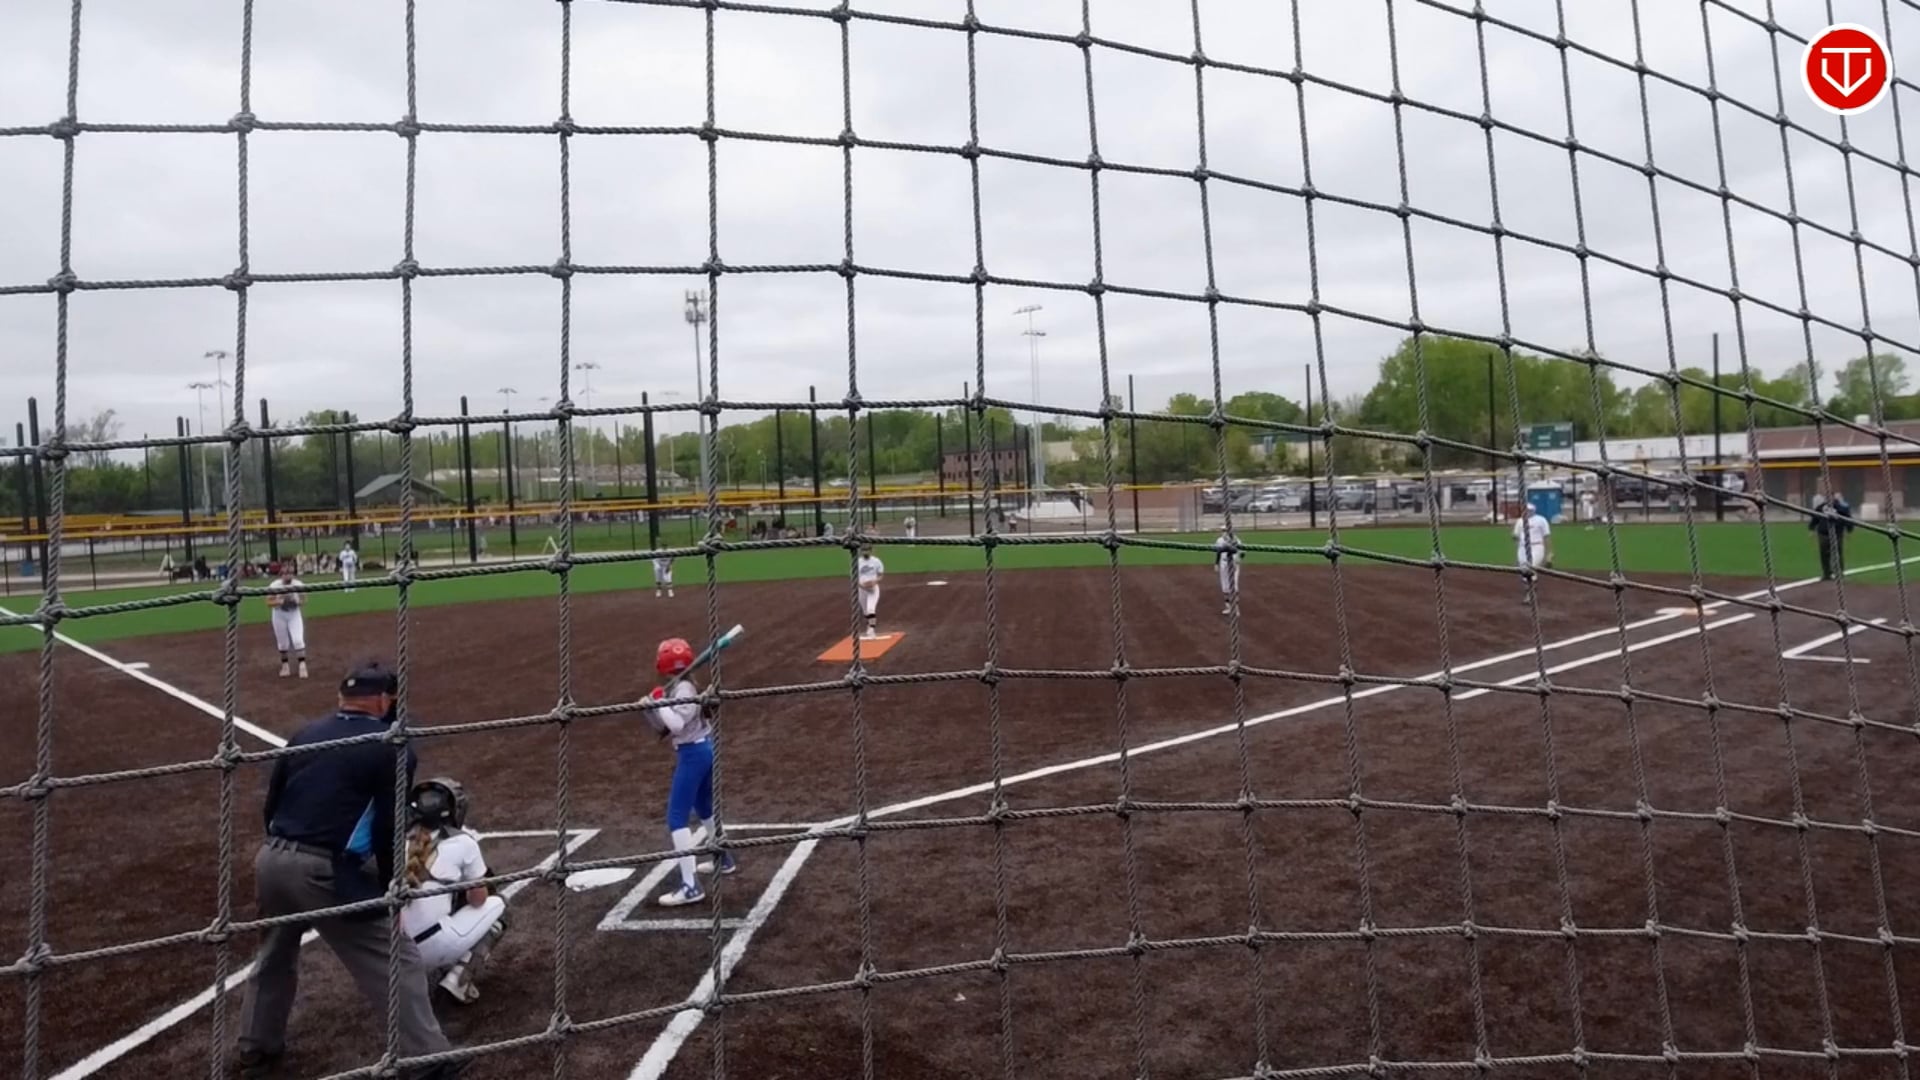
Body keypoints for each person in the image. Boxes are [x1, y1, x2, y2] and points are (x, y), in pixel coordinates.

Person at [234, 660, 464, 1079]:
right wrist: (393, 889)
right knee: (396, 958)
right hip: (322, 871)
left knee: (274, 957)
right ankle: (426, 1061)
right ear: (384, 700)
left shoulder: (305, 734)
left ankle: (256, 1048)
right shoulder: (391, 745)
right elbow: (389, 825)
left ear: (343, 698)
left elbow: (272, 803)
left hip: (270, 860)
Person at [399, 777, 508, 1005]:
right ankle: (458, 979)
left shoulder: (393, 843)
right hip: (434, 948)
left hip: (395, 954)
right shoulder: (463, 843)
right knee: (500, 905)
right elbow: (478, 900)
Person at [647, 637, 737, 907]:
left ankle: (690, 886)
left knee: (676, 817)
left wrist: (659, 703)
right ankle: (724, 859)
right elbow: (665, 724)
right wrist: (656, 703)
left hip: (693, 755)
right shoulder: (683, 686)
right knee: (704, 806)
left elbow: (675, 725)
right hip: (701, 750)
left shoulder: (684, 688)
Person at [266, 567, 309, 679]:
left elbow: (304, 599)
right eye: (285, 574)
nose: (288, 576)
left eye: (290, 573)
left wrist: (297, 601)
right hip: (279, 614)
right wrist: (279, 601)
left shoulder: (298, 584)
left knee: (298, 640)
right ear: (281, 575)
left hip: (294, 614)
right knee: (283, 643)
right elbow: (268, 602)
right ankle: (285, 666)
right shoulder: (275, 585)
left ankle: (302, 666)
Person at [1512, 501, 1553, 604]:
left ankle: (1531, 595)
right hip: (1523, 548)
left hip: (1537, 546)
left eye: (1529, 510)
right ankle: (1529, 593)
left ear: (1533, 510)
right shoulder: (1520, 521)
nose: (1527, 512)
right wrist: (1517, 546)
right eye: (1526, 510)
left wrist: (1549, 553)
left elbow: (1546, 537)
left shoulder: (1541, 520)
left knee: (1531, 568)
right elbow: (1516, 536)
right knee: (1523, 571)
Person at [1810, 493, 1855, 581]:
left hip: (1836, 534)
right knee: (1824, 555)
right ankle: (1826, 573)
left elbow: (1848, 519)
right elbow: (1815, 518)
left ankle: (1839, 574)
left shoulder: (1840, 508)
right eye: (1826, 497)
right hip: (1823, 534)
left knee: (1837, 554)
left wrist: (1849, 530)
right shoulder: (1821, 507)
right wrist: (1811, 529)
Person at [855, 543, 885, 639]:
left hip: (873, 590)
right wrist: (861, 585)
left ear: (871, 551)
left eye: (867, 550)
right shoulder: (857, 562)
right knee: (865, 612)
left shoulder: (876, 561)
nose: (865, 552)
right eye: (863, 550)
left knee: (870, 609)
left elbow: (880, 575)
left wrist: (874, 582)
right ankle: (869, 627)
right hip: (862, 590)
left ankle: (872, 630)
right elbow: (854, 577)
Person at [1213, 530, 1242, 616]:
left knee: (1234, 586)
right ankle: (1228, 607)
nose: (1224, 532)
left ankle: (1236, 608)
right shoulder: (1219, 540)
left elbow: (1241, 552)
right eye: (1223, 531)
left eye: (1225, 531)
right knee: (1225, 586)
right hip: (1223, 563)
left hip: (1233, 564)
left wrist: (1238, 560)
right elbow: (1218, 552)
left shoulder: (1236, 540)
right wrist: (1216, 563)